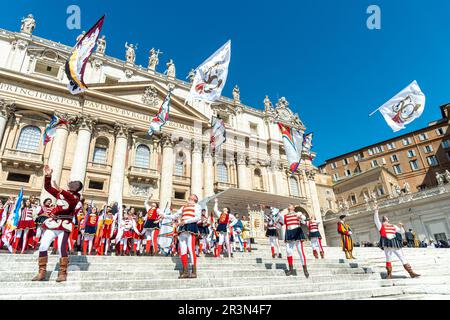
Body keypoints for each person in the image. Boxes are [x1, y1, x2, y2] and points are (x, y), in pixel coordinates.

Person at [32, 165, 82, 282]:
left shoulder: (76, 197)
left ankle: (62, 272)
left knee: (61, 248)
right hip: (53, 223)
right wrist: (48, 176)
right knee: (43, 245)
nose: (71, 182)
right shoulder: (61, 193)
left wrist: (60, 189)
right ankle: (42, 272)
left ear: (77, 187)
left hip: (64, 225)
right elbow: (48, 188)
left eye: (75, 182)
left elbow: (69, 197)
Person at [373, 203, 420, 279]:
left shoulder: (393, 226)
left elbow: (402, 232)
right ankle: (389, 275)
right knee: (388, 259)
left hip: (395, 243)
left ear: (388, 219)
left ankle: (411, 273)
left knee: (402, 258)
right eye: (384, 218)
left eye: (386, 217)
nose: (385, 218)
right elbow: (376, 219)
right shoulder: (380, 226)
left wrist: (401, 227)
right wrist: (376, 210)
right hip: (387, 244)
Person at [161, 195, 201, 279]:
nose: (190, 197)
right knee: (183, 249)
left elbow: (198, 217)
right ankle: (185, 271)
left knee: (190, 248)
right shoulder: (183, 206)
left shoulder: (197, 206)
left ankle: (194, 271)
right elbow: (175, 216)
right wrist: (164, 215)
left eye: (192, 196)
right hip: (182, 227)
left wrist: (185, 221)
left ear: (195, 199)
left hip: (190, 226)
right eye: (189, 196)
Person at [270, 204, 309, 278]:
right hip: (289, 233)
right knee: (288, 251)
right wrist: (275, 223)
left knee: (300, 251)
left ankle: (305, 269)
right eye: (288, 205)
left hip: (297, 232)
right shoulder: (285, 216)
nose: (288, 206)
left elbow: (304, 218)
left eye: (290, 205)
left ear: (293, 207)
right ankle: (290, 269)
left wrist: (300, 215)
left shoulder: (297, 213)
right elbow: (279, 225)